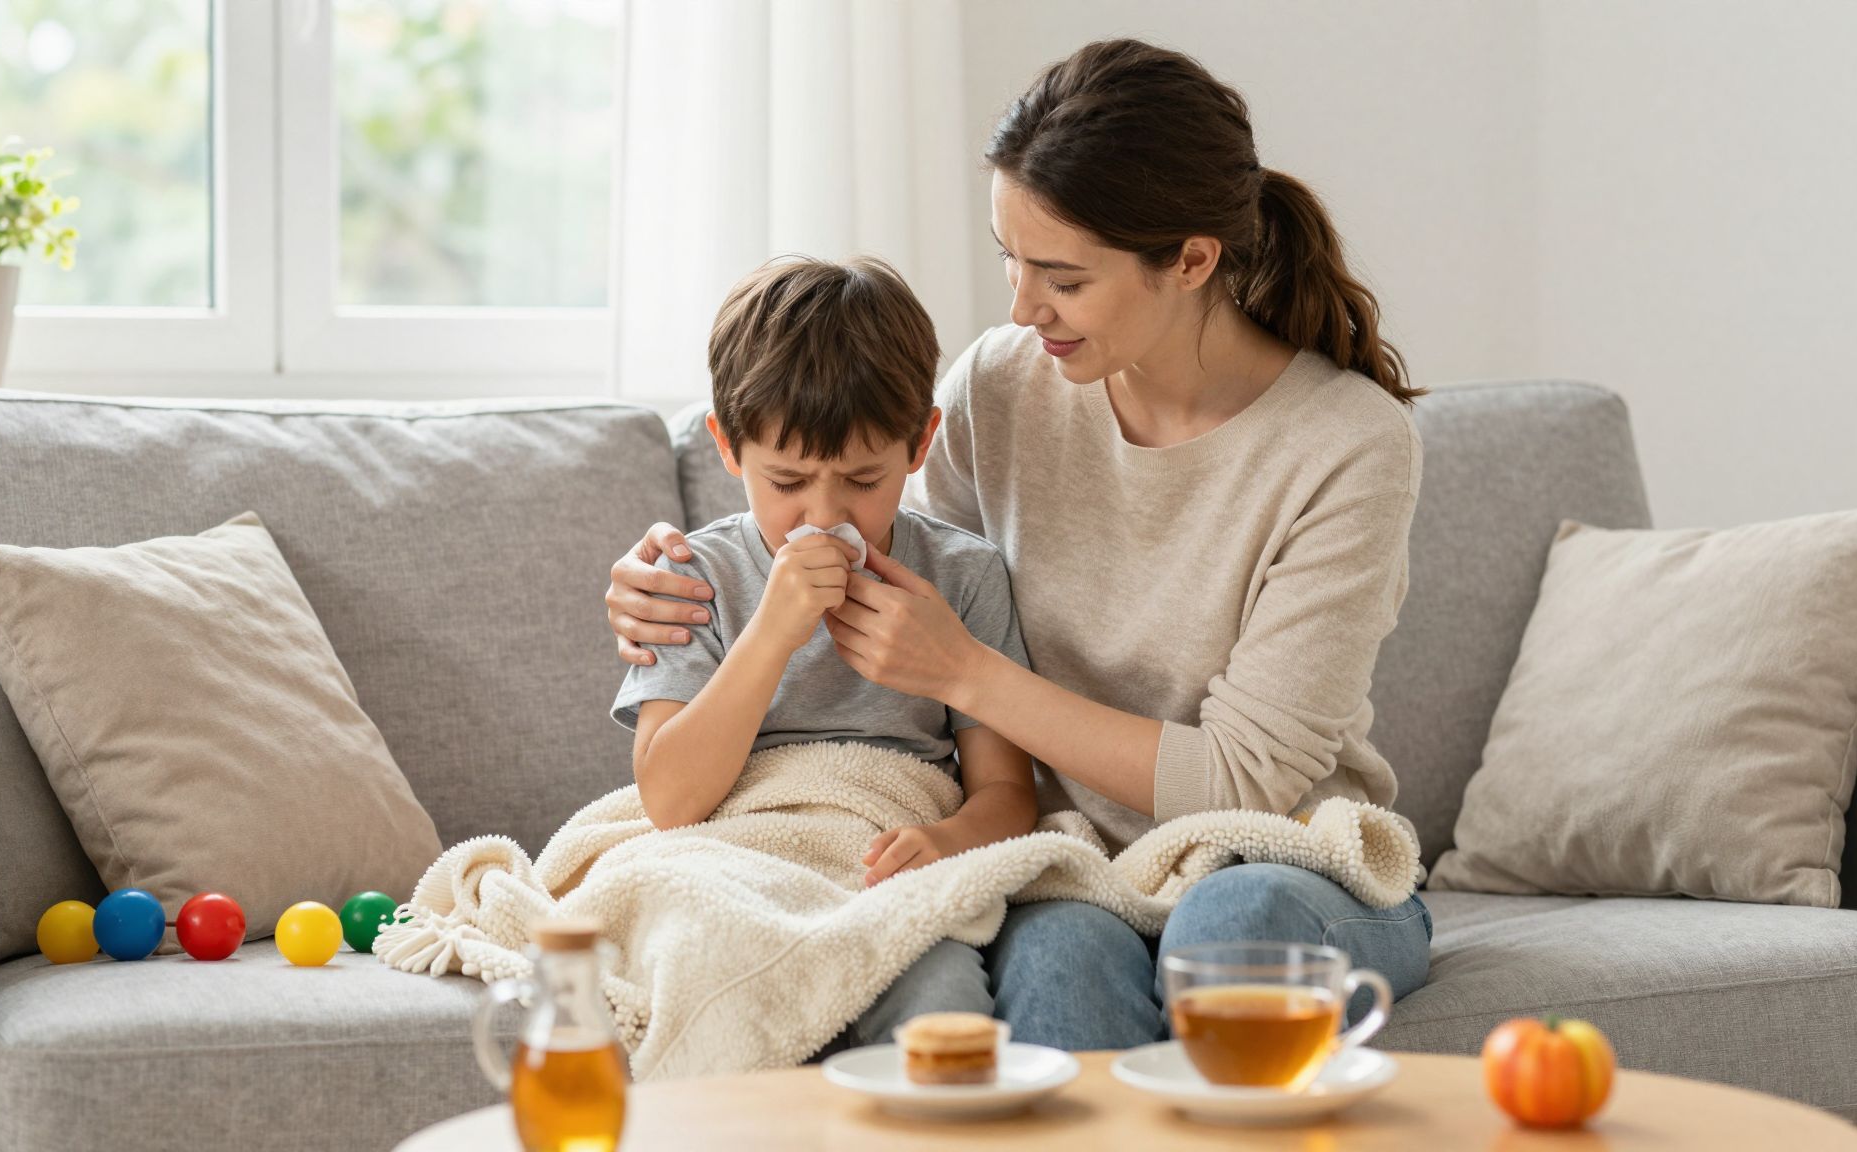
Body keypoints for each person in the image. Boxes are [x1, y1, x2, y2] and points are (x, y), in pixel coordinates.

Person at [606, 38, 1432, 1050]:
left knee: (1231, 935)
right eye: (1008, 258)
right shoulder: (1003, 384)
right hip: (1064, 862)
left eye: (1060, 278)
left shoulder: (1343, 445)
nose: (1017, 307)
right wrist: (666, 576)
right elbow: (864, 526)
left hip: (1273, 859)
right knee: (1053, 965)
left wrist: (966, 671)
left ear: (1190, 259)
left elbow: (1242, 784)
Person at [613, 254, 1038, 1044]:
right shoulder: (690, 580)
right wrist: (772, 631)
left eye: (863, 478)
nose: (825, 514)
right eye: (787, 481)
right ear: (727, 447)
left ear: (920, 445)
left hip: (886, 868)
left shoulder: (963, 577)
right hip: (737, 865)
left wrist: (944, 843)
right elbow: (670, 802)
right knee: (713, 966)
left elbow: (1010, 796)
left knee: (941, 989)